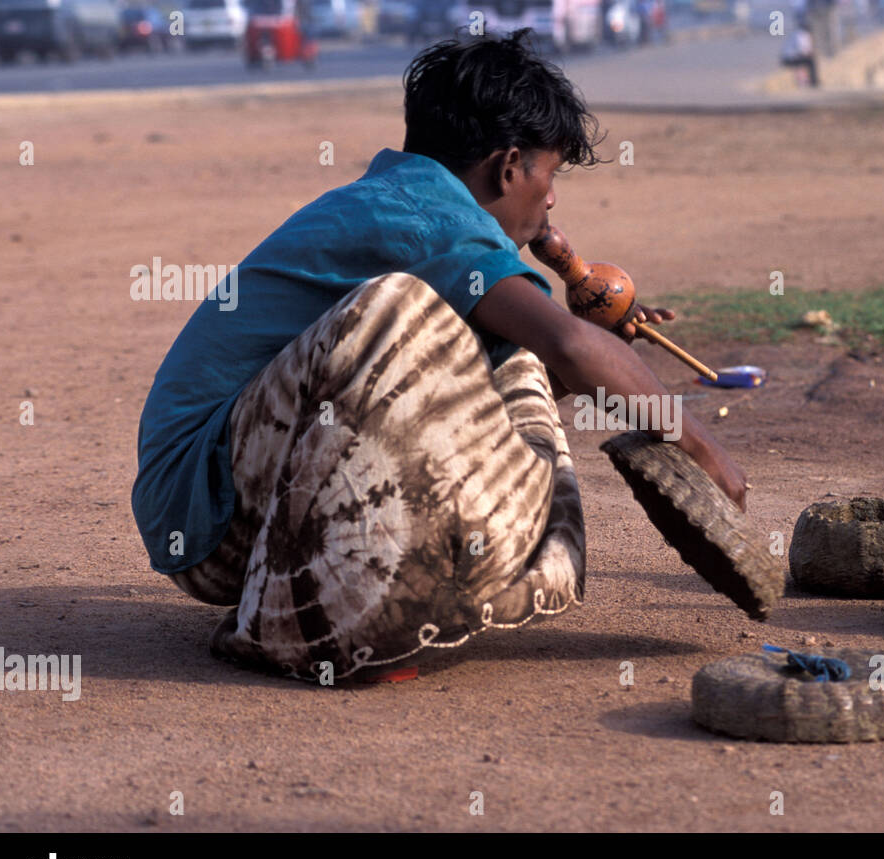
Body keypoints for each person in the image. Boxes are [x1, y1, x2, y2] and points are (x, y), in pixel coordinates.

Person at [131, 31, 747, 684]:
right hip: (204, 508)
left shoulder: (425, 209)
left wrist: (601, 350)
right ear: (509, 167)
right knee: (396, 308)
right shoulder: (429, 219)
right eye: (550, 173)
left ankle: (427, 582)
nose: (553, 199)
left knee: (513, 356)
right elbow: (569, 342)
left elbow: (506, 385)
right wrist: (702, 447)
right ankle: (284, 625)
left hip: (257, 496)